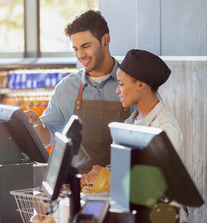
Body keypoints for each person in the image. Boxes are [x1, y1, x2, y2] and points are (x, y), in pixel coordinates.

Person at [24, 10, 130, 173]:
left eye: (86, 46)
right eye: (75, 48)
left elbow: (149, 143)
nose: (80, 55)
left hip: (122, 181)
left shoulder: (134, 84)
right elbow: (47, 136)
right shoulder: (66, 88)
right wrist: (37, 126)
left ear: (106, 40)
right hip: (78, 185)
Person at [116, 49, 183, 152]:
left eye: (121, 84)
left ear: (140, 85)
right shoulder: (129, 122)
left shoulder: (164, 129)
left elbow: (161, 168)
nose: (117, 91)